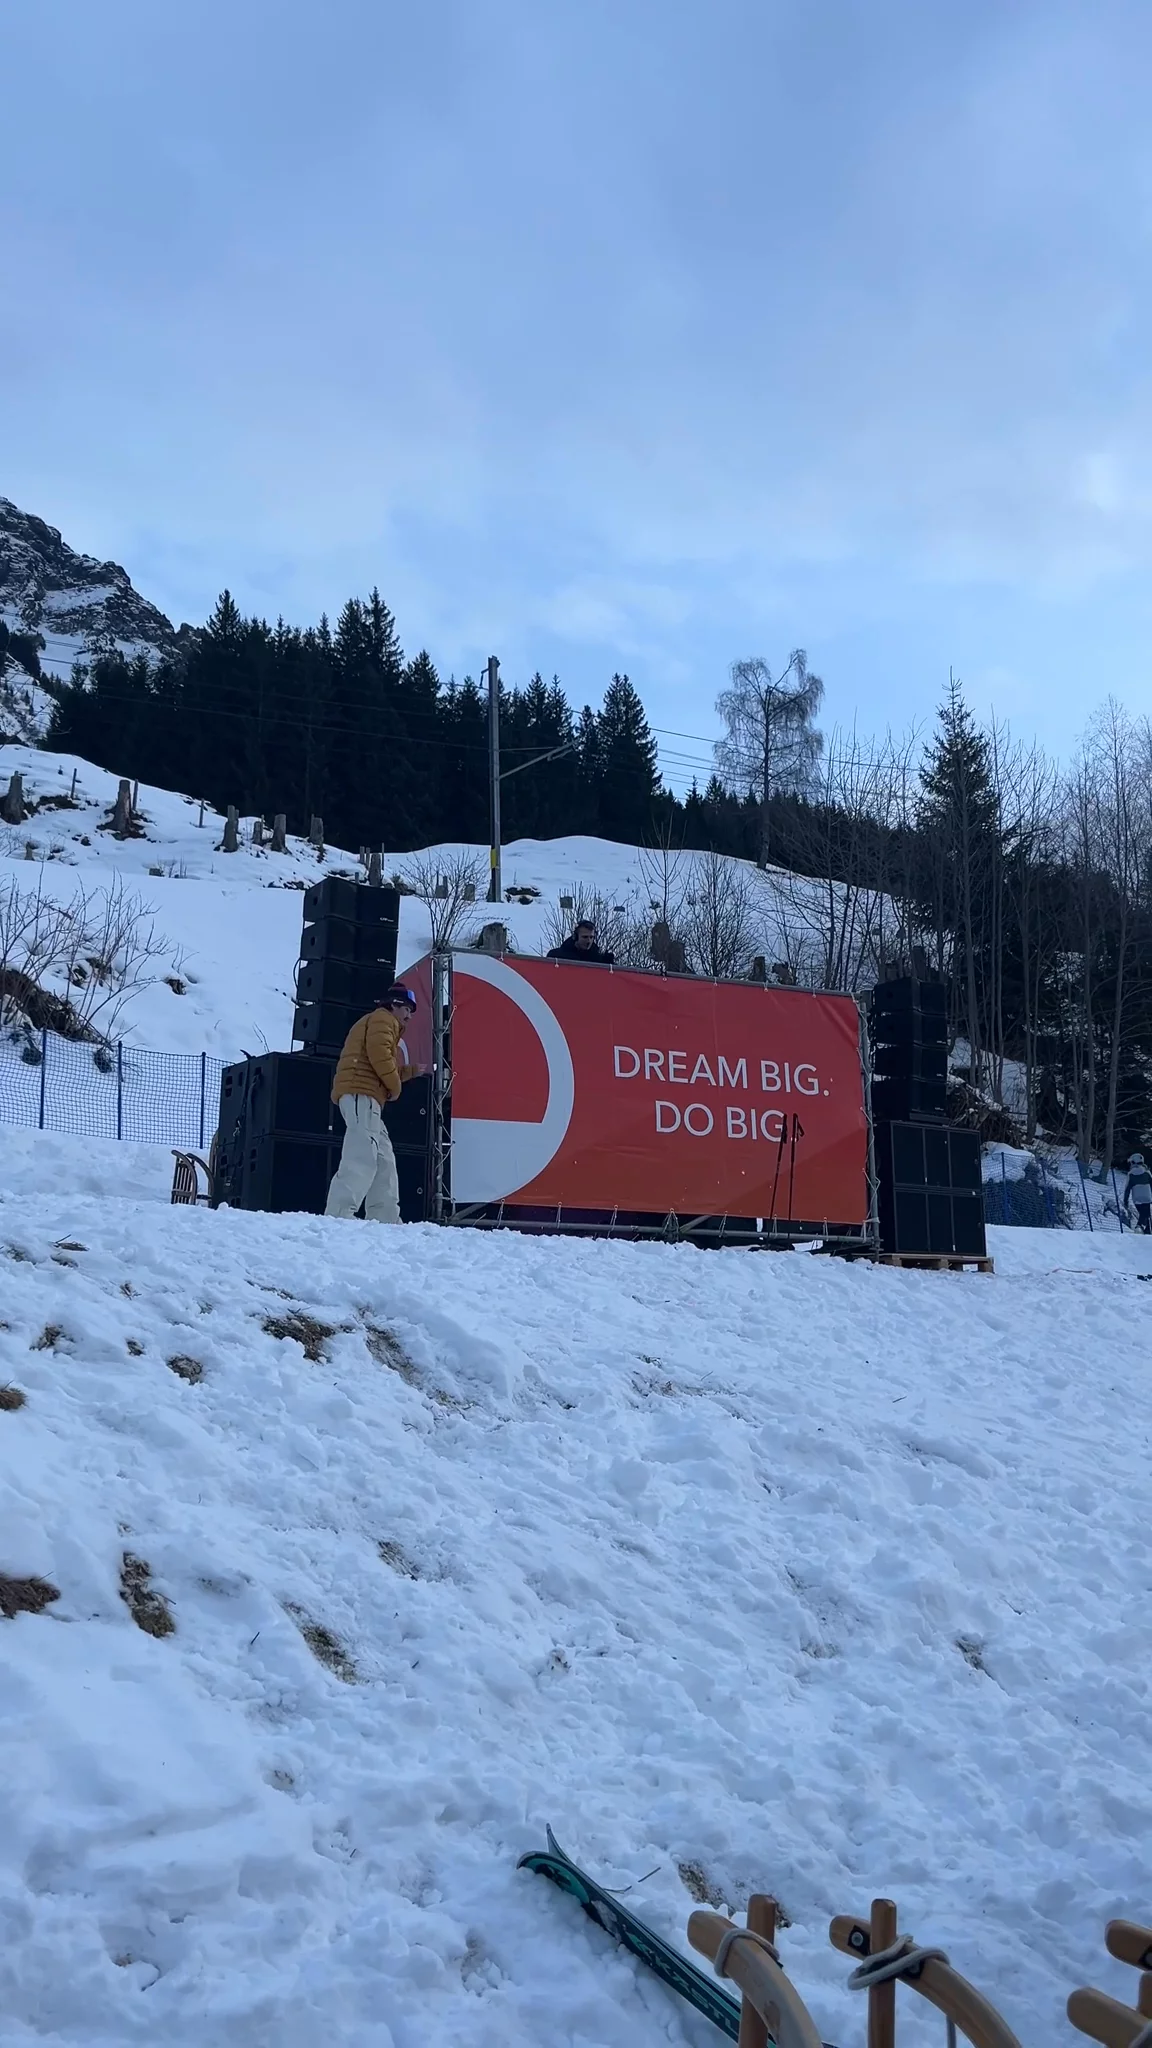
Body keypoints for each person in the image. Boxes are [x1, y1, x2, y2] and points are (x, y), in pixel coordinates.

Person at [324, 985, 420, 1225]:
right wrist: (395, 1087)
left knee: (384, 1158)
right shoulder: (383, 1019)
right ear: (393, 1005)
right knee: (362, 1153)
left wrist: (412, 1072)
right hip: (361, 1093)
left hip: (366, 1096)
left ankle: (386, 1218)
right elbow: (379, 1055)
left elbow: (381, 1061)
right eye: (406, 1009)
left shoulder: (381, 1023)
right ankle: (338, 1215)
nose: (409, 1016)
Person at [547, 918, 615, 964]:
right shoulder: (557, 955)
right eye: (585, 937)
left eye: (591, 937)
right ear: (575, 937)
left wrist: (609, 964)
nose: (589, 941)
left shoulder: (597, 958)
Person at [1123, 1152, 1152, 1233]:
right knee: (1146, 1214)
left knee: (1144, 1214)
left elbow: (1127, 1188)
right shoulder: (1147, 1172)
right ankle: (1139, 1226)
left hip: (1137, 1198)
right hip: (1147, 1196)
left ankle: (1147, 1230)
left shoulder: (1130, 1174)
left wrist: (1126, 1200)